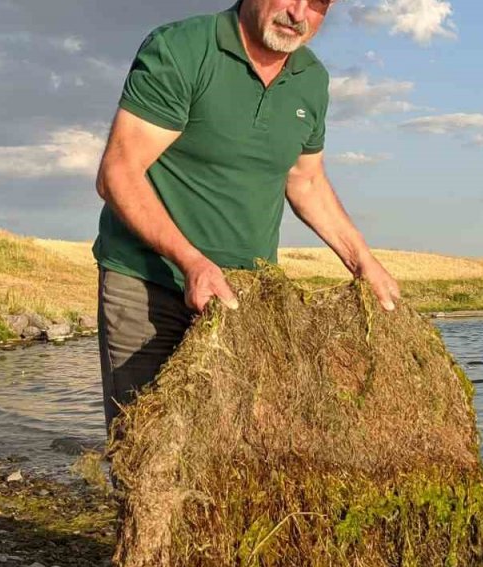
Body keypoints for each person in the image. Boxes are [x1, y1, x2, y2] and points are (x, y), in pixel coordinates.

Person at [92, 0, 400, 433]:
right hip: (147, 285)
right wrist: (192, 262)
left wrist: (362, 261)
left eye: (316, 4)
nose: (298, 13)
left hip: (241, 297)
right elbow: (118, 172)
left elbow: (305, 180)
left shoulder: (311, 80)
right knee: (144, 444)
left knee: (233, 444)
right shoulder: (183, 48)